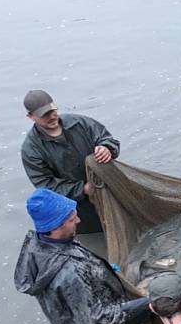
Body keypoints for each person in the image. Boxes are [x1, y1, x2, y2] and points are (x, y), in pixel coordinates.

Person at [14, 188, 150, 324]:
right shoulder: (68, 272)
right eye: (71, 219)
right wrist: (147, 304)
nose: (78, 220)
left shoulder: (39, 243)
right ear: (55, 227)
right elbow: (97, 320)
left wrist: (104, 270)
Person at [21, 90, 120, 234]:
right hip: (78, 211)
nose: (52, 116)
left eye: (52, 111)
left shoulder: (81, 123)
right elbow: (46, 185)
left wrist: (107, 148)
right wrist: (83, 189)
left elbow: (108, 139)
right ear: (30, 116)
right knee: (95, 238)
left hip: (110, 192)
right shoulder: (31, 149)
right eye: (44, 115)